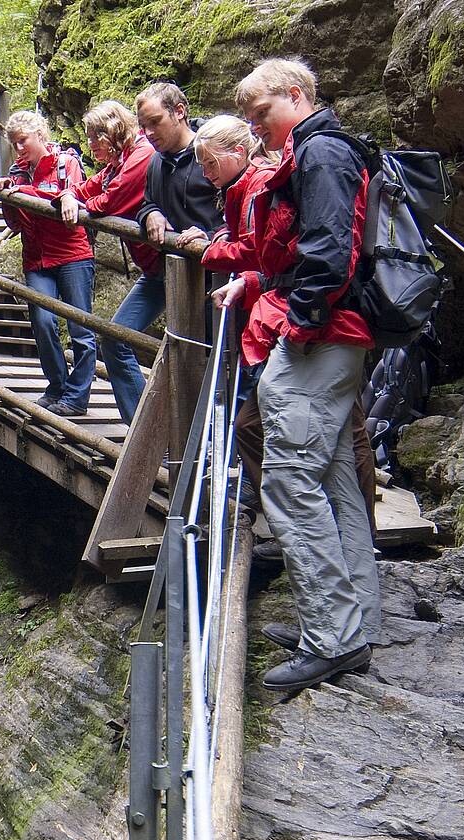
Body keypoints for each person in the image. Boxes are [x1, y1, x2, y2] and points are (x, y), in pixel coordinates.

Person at [210, 57, 381, 693]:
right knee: (333, 477)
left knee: (286, 483)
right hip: (334, 333)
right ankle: (353, 621)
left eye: (261, 115)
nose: (256, 130)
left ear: (296, 94)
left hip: (320, 335)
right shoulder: (317, 152)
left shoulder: (322, 155)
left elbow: (329, 251)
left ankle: (332, 638)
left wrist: (296, 322)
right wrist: (260, 282)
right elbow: (299, 253)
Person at [183, 116, 379, 534]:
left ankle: (329, 529)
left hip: (312, 320)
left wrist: (217, 256)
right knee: (319, 428)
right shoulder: (249, 185)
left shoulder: (277, 176)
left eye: (209, 162)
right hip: (290, 315)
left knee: (337, 427)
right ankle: (329, 528)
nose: (205, 173)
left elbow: (279, 251)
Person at [60, 100, 159, 422]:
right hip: (155, 270)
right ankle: (142, 428)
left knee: (196, 352)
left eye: (93, 137)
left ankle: (155, 432)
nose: (89, 145)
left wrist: (80, 204)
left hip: (178, 268)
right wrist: (68, 196)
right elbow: (86, 187)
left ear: (112, 132)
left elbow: (110, 200)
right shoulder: (119, 162)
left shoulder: (141, 156)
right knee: (115, 338)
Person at [0, 111, 96, 417]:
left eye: (22, 140)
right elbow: (14, 222)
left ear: (40, 134)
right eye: (14, 143)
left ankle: (77, 397)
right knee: (43, 322)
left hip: (72, 254)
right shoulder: (18, 172)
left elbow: (67, 199)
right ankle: (56, 387)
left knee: (80, 328)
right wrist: (7, 198)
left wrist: (22, 193)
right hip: (36, 258)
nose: (19, 148)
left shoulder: (68, 164)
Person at [130, 83, 222, 249]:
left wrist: (210, 236)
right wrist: (151, 213)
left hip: (215, 267)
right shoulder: (155, 161)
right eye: (144, 126)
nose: (148, 133)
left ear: (180, 111)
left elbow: (240, 216)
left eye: (155, 121)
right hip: (173, 267)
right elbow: (148, 202)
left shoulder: (214, 154)